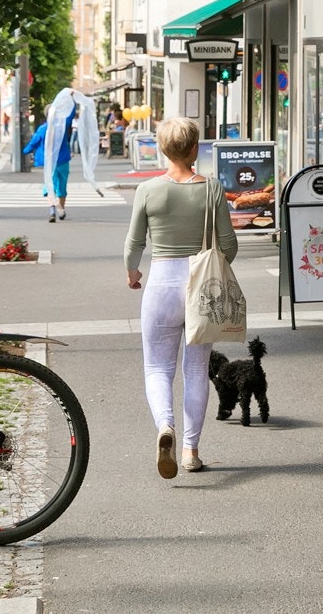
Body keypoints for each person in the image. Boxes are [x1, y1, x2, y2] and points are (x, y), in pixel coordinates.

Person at [123, 116, 237, 478]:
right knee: (196, 369)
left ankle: (164, 428)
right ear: (194, 149)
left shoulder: (149, 190)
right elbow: (229, 244)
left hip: (160, 282)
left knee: (157, 367)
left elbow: (134, 244)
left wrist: (132, 272)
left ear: (161, 148)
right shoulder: (212, 189)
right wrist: (213, 269)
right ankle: (190, 450)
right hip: (200, 287)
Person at [42, 86, 99, 222]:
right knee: (62, 186)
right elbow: (70, 116)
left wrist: (26, 151)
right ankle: (61, 209)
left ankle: (52, 210)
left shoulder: (43, 128)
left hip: (51, 162)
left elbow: (33, 143)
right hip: (64, 160)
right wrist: (72, 101)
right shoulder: (63, 125)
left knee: (50, 185)